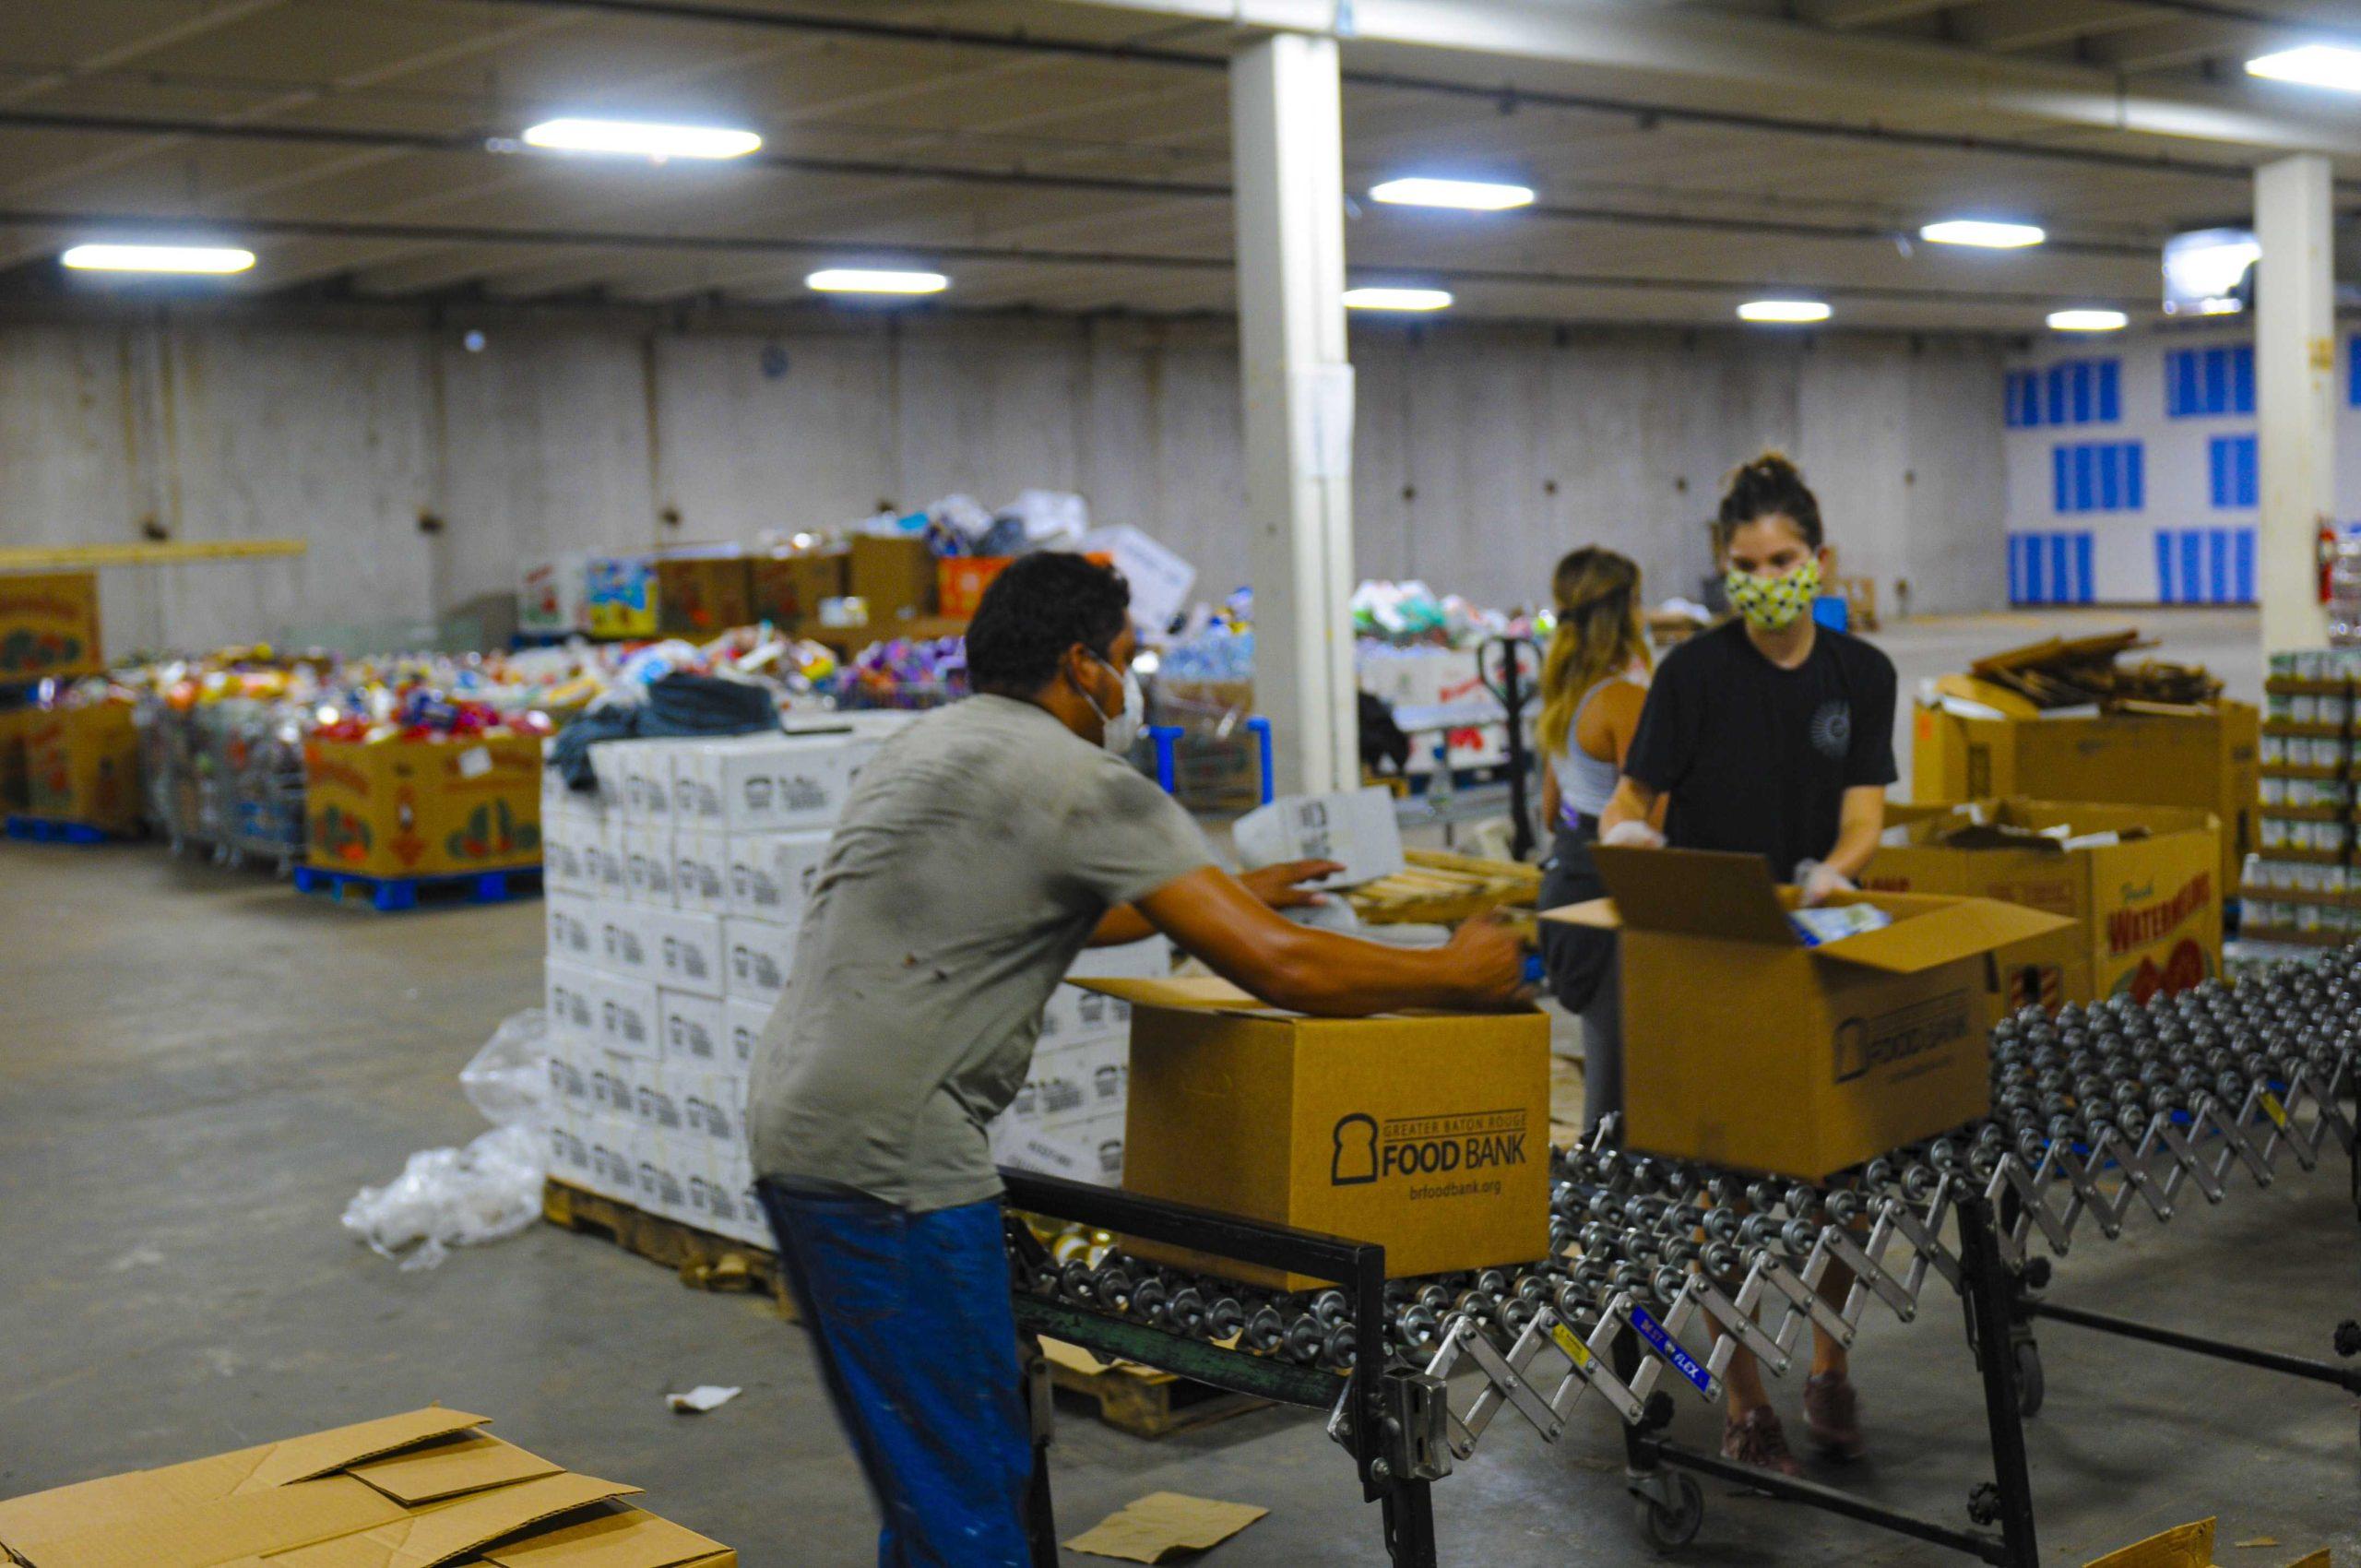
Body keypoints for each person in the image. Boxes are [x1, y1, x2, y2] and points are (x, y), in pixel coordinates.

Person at [745, 551, 1530, 1567]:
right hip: (897, 1164)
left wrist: (1237, 893)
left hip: (797, 1133)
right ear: (1080, 663)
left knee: (922, 1470)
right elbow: (1281, 969)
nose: (1132, 682)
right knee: (970, 1494)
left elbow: (1043, 904)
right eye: (1125, 657)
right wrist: (1459, 973)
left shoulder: (927, 747)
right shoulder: (1083, 777)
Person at [1598, 450, 1897, 1477]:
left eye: (1781, 556)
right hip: (1712, 959)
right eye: (1742, 560)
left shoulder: (1861, 674)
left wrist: (1834, 871)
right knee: (1721, 1191)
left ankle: (1825, 1362)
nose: (1762, 574)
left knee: (1834, 1183)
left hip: (1811, 951)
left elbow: (1865, 811)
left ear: (1821, 559)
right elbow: (1630, 799)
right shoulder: (1691, 673)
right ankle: (1743, 1394)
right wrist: (1629, 837)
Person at [1531, 547, 1654, 1134]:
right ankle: (1603, 1215)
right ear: (1626, 610)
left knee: (1609, 1077)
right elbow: (1647, 807)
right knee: (1619, 1099)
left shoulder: (1563, 698)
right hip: (1610, 888)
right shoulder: (1624, 699)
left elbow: (1551, 807)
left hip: (1565, 881)